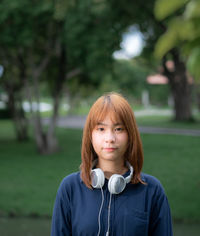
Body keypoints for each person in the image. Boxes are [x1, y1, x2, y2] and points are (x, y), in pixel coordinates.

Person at [51, 92, 173, 236]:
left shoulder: (152, 191)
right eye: (101, 129)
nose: (109, 138)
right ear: (90, 135)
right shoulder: (70, 188)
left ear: (130, 135)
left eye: (118, 129)